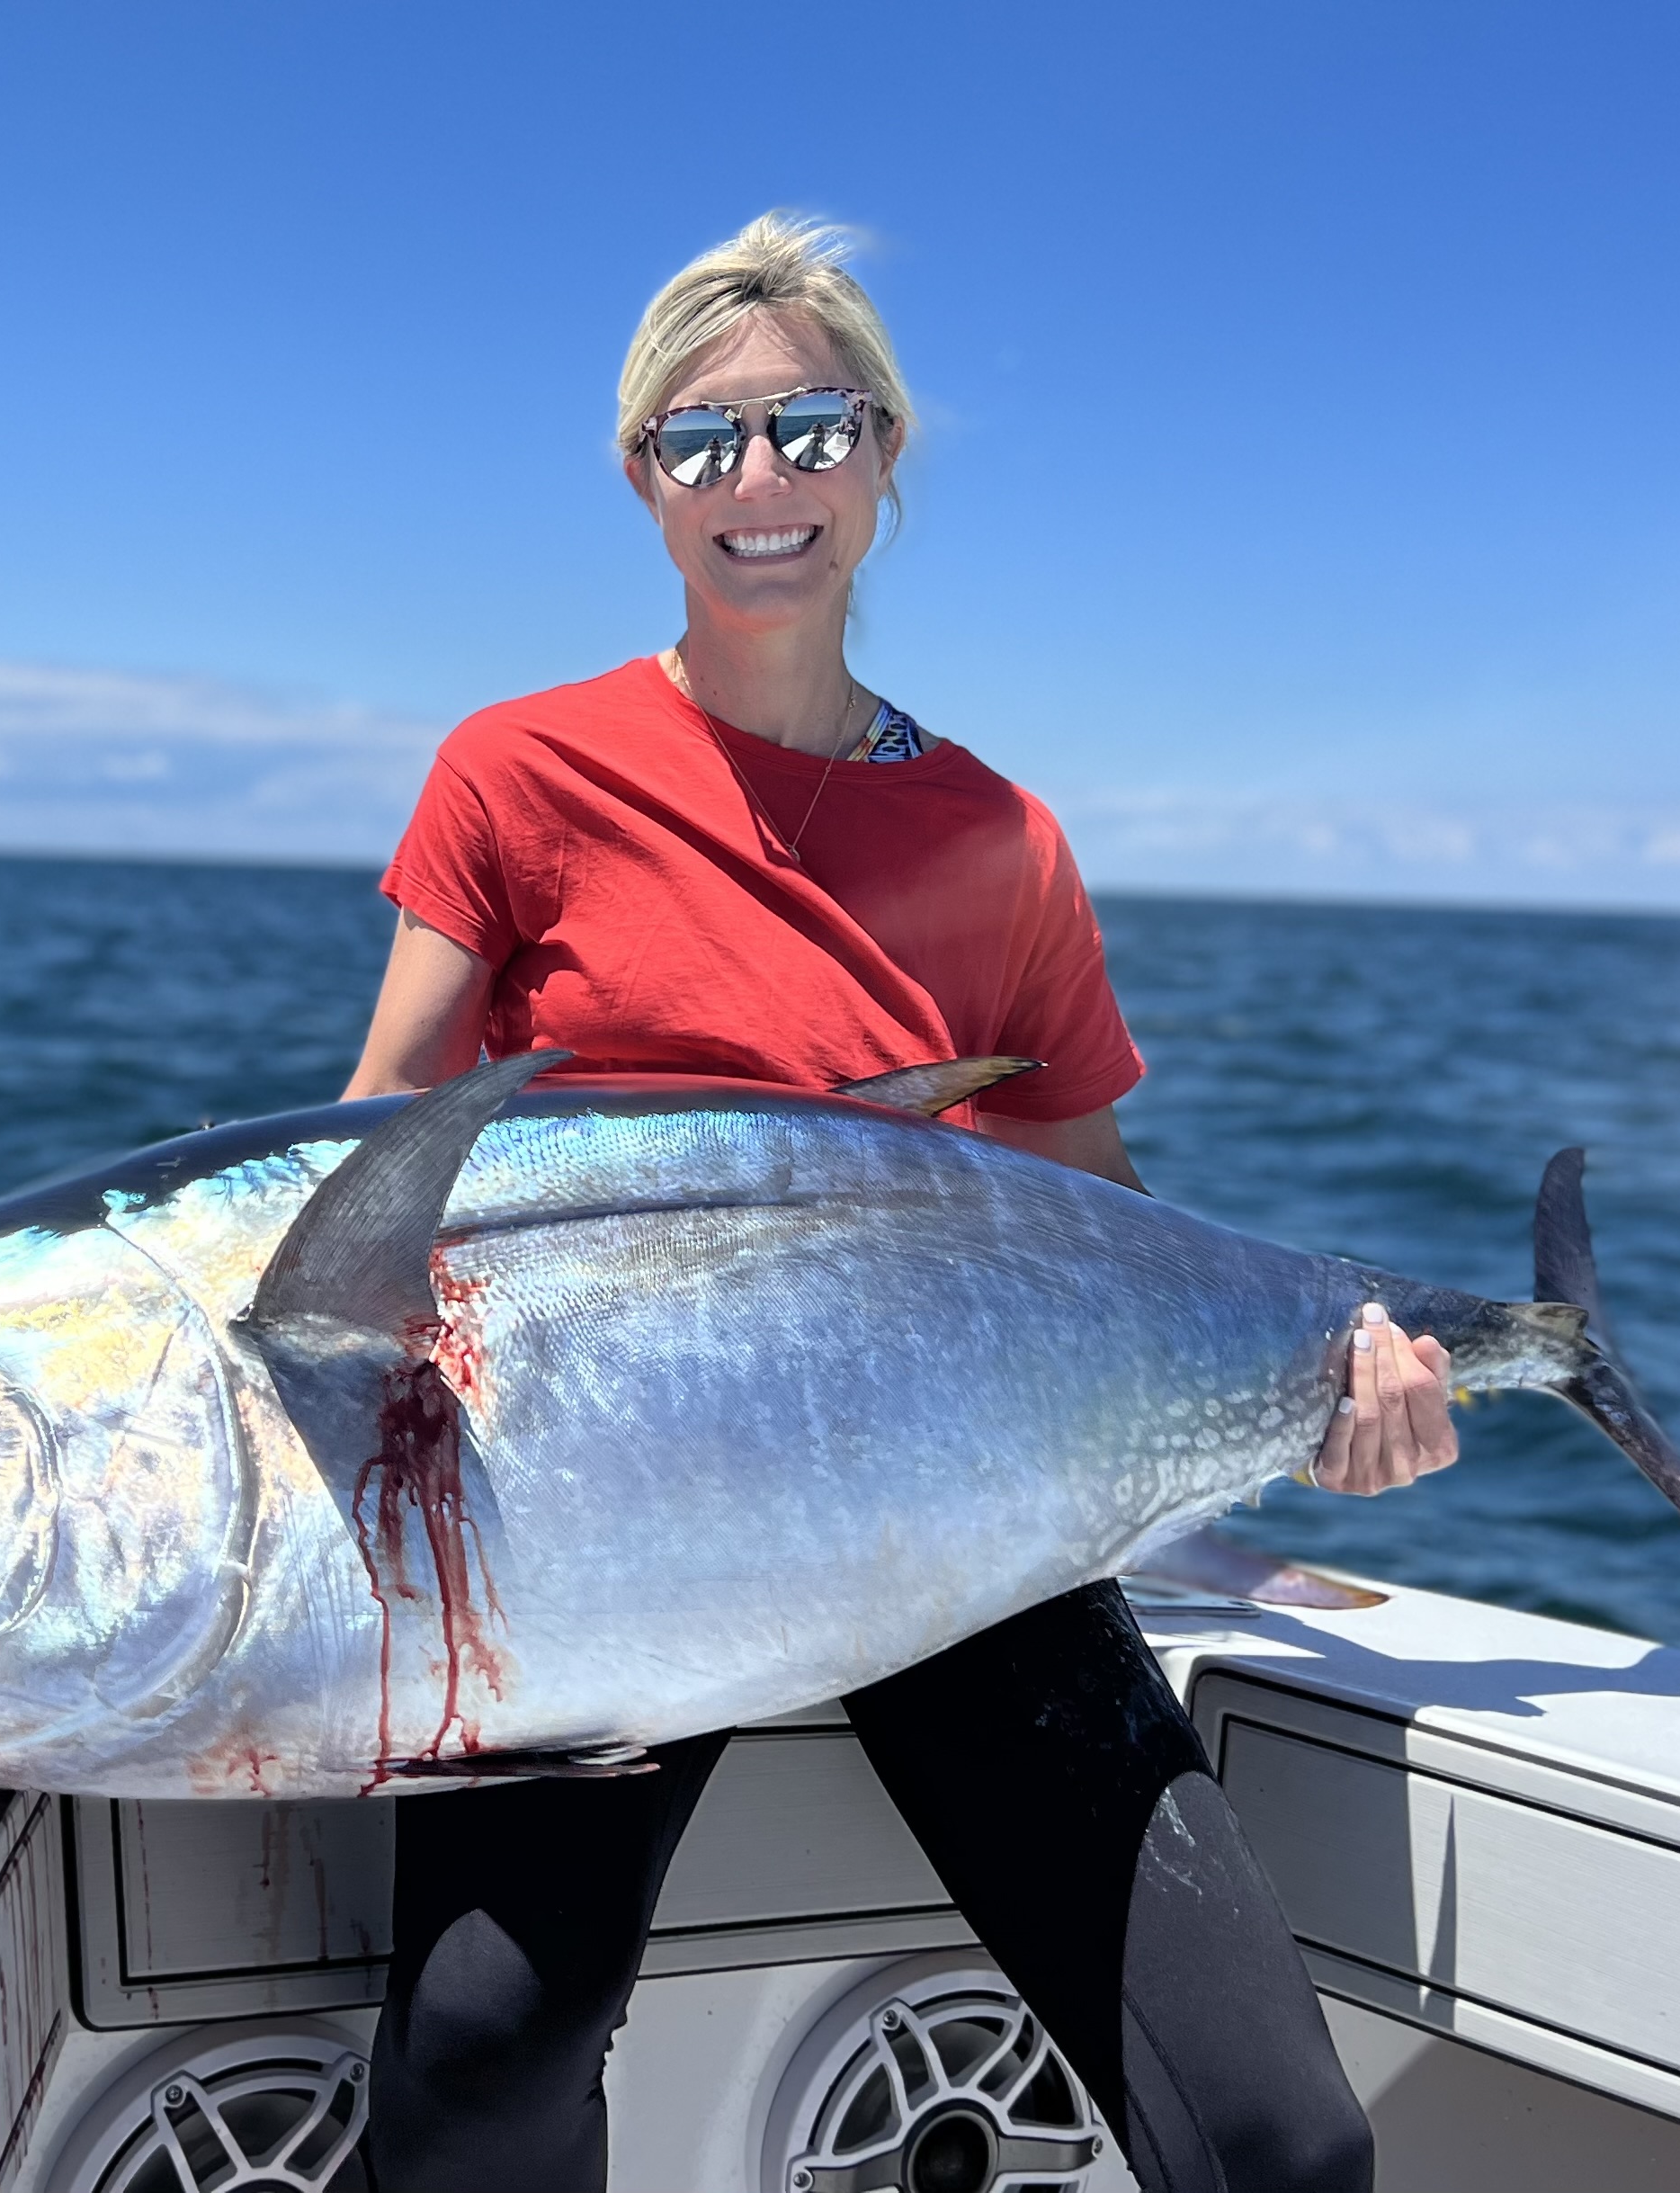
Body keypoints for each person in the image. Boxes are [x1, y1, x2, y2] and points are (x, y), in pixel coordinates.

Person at [344, 215, 1458, 2192]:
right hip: (605, 1524)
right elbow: (365, 1173)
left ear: (880, 459)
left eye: (808, 427)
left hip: (954, 1520)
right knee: (479, 2056)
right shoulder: (515, 772)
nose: (756, 482)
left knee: (1279, 2145)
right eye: (702, 442)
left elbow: (1096, 1217)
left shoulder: (1002, 838)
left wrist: (1316, 1404)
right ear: (638, 479)